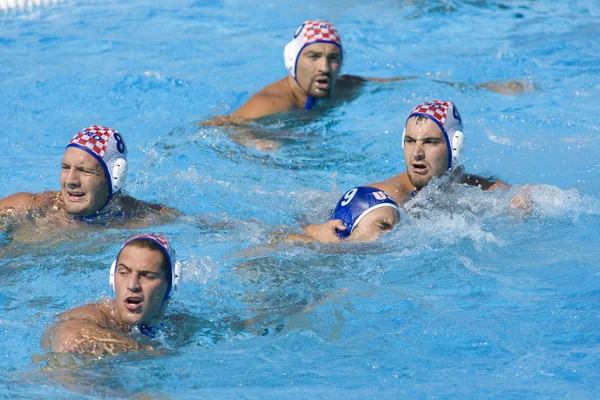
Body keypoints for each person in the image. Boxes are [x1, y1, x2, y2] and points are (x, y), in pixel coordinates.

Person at [202, 20, 531, 126]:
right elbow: (219, 127)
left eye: (333, 58)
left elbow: (403, 84)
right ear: (292, 61)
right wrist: (260, 142)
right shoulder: (269, 105)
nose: (324, 67)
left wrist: (485, 88)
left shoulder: (343, 87)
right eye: (314, 56)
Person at [305, 99, 525, 242]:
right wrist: (314, 232)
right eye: (410, 141)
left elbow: (529, 195)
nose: (417, 153)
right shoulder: (386, 197)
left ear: (454, 147)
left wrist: (523, 203)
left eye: (430, 142)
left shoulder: (472, 185)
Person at [0, 125, 177, 227]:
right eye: (65, 167)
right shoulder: (29, 210)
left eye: (84, 170)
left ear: (116, 175)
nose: (70, 181)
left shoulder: (142, 219)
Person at [42, 233, 182, 358]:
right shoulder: (94, 316)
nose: (132, 285)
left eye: (147, 276)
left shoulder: (179, 325)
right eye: (124, 273)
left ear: (170, 284)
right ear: (112, 278)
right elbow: (70, 340)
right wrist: (146, 351)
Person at [286, 186, 401, 243]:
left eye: (395, 228)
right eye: (382, 227)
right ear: (346, 225)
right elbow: (274, 241)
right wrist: (312, 233)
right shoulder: (308, 246)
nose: (392, 234)